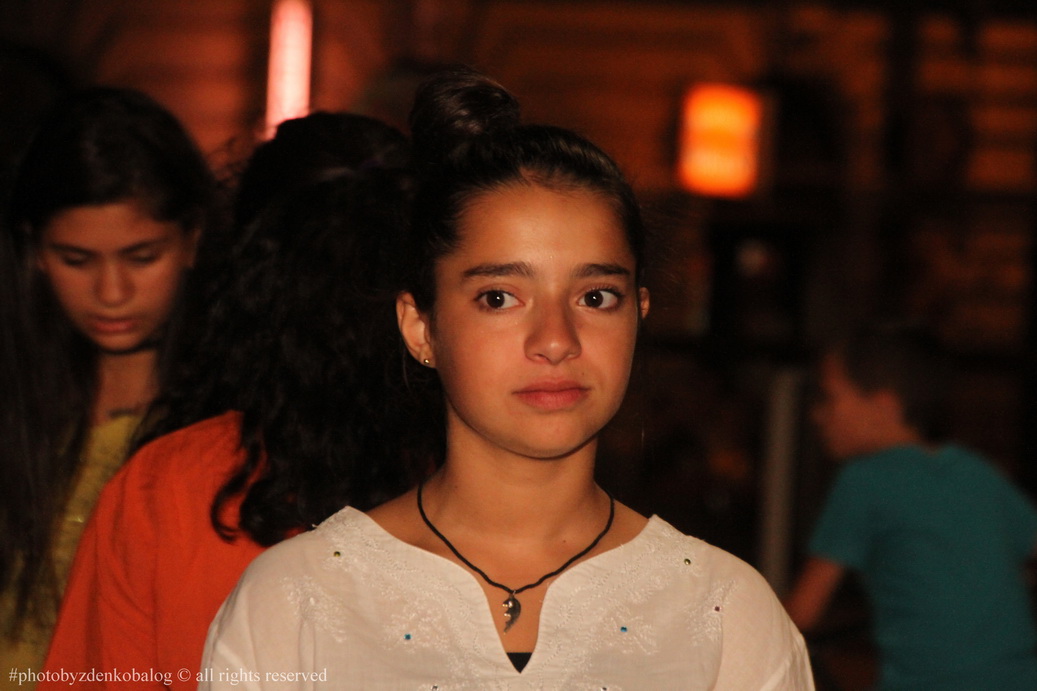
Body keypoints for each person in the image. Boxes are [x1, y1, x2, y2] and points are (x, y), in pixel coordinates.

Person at [200, 66, 813, 690]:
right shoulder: (297, 600)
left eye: (596, 297)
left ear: (640, 314)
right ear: (421, 327)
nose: (556, 340)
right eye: (499, 298)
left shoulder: (725, 613)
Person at [39, 111, 426, 690]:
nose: (111, 291)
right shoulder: (490, 476)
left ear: (246, 277)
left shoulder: (166, 487)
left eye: (140, 256)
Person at [0, 86, 216, 680]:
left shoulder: (222, 413)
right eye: (76, 260)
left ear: (193, 239)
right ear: (33, 251)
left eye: (141, 257)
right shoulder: (18, 399)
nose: (111, 292)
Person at [784, 324, 1037, 689]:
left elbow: (801, 614)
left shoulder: (864, 480)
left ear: (883, 406)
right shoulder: (974, 470)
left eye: (829, 398)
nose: (817, 414)